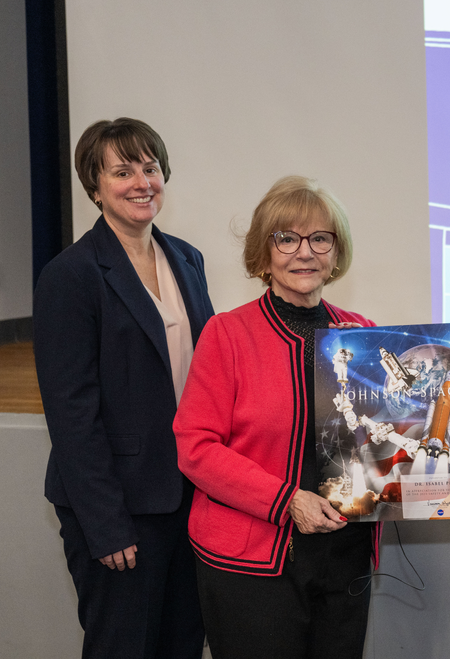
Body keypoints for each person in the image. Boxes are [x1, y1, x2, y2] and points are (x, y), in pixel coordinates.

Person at [173, 175, 378, 659]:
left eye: (320, 238)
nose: (304, 252)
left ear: (335, 253)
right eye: (286, 238)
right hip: (253, 562)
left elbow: (377, 436)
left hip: (345, 556)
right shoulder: (226, 334)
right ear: (264, 255)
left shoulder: (365, 332)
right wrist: (287, 500)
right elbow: (195, 449)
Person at [33, 118, 213, 657]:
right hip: (120, 507)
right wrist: (106, 526)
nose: (142, 182)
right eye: (122, 171)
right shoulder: (70, 275)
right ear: (94, 188)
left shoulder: (187, 258)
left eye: (150, 168)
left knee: (183, 643)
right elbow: (71, 416)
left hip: (188, 495)